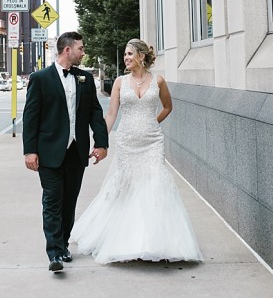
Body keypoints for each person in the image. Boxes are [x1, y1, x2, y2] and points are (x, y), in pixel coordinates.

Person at [70, 38, 203, 264]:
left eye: (130, 54)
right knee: (128, 186)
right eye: (125, 55)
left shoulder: (158, 81)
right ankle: (129, 241)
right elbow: (111, 114)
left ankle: (157, 241)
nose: (126, 58)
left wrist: (153, 122)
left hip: (152, 142)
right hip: (127, 142)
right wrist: (101, 141)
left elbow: (168, 107)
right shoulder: (120, 82)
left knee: (155, 184)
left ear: (141, 56)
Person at [22, 31, 109, 273]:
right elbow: (31, 117)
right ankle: (54, 253)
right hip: (49, 152)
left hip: (76, 151)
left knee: (69, 201)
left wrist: (101, 144)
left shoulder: (85, 78)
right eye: (80, 48)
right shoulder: (40, 79)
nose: (83, 52)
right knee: (52, 200)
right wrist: (30, 151)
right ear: (67, 50)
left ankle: (63, 243)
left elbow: (94, 113)